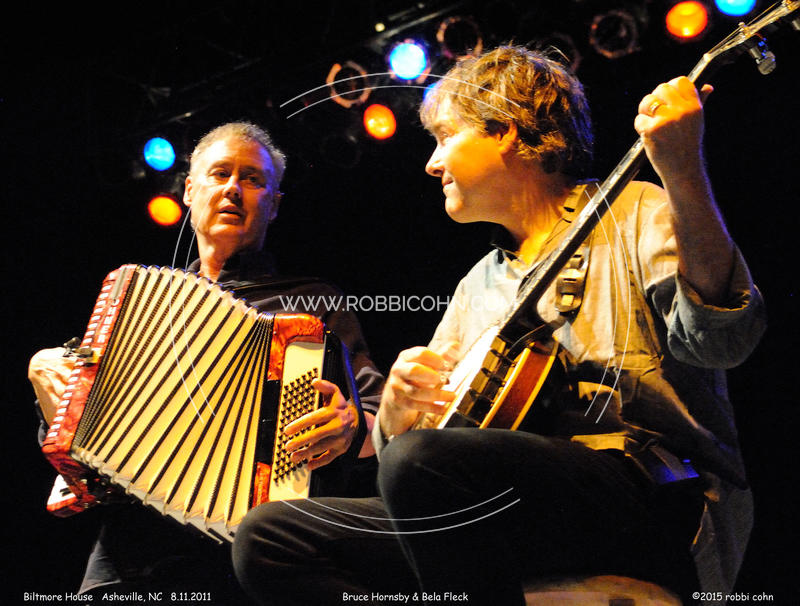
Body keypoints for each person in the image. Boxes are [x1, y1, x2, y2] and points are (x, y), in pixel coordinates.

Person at [231, 46, 766, 605]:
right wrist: (395, 412)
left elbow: (723, 339)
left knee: (419, 464)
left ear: (507, 132)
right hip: (521, 520)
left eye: (445, 138)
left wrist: (681, 171)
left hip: (654, 502)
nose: (432, 164)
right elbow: (418, 456)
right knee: (271, 535)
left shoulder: (634, 210)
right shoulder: (477, 286)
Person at [28, 121, 383, 603]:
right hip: (129, 547)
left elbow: (380, 415)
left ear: (274, 204)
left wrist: (350, 425)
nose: (233, 188)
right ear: (190, 192)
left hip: (248, 552)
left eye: (253, 179)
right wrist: (49, 390)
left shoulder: (313, 303)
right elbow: (81, 444)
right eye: (219, 173)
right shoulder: (136, 305)